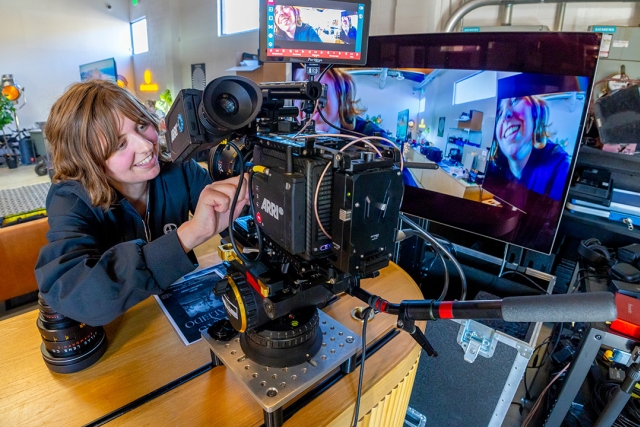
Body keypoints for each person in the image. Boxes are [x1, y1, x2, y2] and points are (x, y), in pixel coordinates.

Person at [35, 80, 248, 326]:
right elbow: (74, 295)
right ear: (87, 159)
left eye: (142, 125)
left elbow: (239, 224)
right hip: (129, 326)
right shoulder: (70, 199)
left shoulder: (179, 169)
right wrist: (189, 234)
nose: (147, 146)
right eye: (120, 144)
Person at [487, 95, 570, 201]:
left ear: (534, 113)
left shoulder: (560, 166)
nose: (505, 115)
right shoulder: (495, 166)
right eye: (499, 113)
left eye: (515, 100)